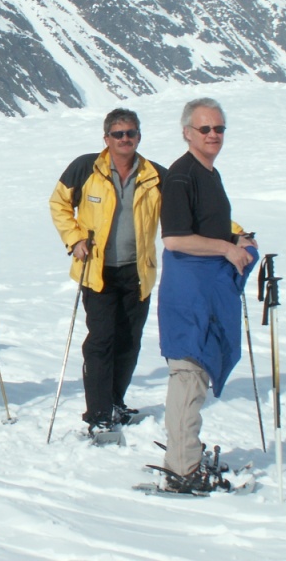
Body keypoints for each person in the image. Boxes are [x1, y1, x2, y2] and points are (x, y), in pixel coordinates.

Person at [158, 98, 258, 492]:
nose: (213, 135)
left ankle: (185, 456)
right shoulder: (181, 177)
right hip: (189, 291)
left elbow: (206, 226)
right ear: (187, 132)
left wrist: (235, 238)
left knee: (194, 375)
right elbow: (174, 238)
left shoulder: (208, 173)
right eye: (205, 129)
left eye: (219, 128)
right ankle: (182, 469)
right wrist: (226, 249)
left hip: (204, 289)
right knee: (188, 372)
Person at [49, 108, 166, 435]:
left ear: (139, 137)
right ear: (106, 138)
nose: (125, 139)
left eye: (130, 133)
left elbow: (190, 209)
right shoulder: (86, 167)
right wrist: (75, 239)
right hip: (97, 271)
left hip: (137, 273)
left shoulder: (156, 176)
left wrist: (233, 233)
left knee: (129, 343)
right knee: (101, 342)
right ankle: (98, 414)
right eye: (118, 134)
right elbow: (59, 204)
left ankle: (115, 403)